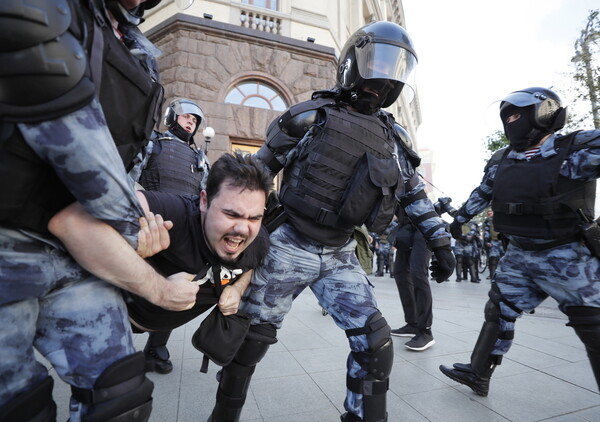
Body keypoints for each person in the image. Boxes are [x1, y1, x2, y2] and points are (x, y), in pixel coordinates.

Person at [207, 21, 455, 422]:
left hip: (340, 253)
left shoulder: (393, 140)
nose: (384, 76)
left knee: (375, 342)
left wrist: (441, 243)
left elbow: (413, 195)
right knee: (249, 343)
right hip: (288, 245)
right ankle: (223, 415)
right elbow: (251, 177)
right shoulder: (309, 117)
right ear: (353, 63)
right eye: (377, 61)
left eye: (395, 68)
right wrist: (227, 231)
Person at [0, 1, 200, 421]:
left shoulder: (136, 50)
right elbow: (80, 150)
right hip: (11, 244)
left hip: (79, 252)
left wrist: (144, 222)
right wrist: (134, 239)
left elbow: (127, 165)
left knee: (121, 398)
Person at [439, 87, 600, 397]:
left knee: (594, 327)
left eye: (518, 115)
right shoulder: (502, 160)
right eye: (508, 117)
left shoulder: (577, 147)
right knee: (498, 310)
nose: (512, 122)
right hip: (520, 255)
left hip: (568, 256)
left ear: (544, 115)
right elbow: (484, 192)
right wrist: (460, 219)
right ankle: (477, 373)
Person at [137, 98, 210, 374]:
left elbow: (205, 195)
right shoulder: (153, 142)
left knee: (174, 286)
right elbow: (131, 176)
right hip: (150, 222)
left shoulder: (199, 156)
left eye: (195, 120)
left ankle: (156, 348)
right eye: (187, 117)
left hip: (182, 230)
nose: (191, 122)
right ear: (172, 117)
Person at [483, 209, 504, 279]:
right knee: (493, 260)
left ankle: (501, 277)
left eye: (491, 212)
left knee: (503, 261)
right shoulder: (489, 220)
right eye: (488, 212)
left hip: (503, 242)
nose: (489, 213)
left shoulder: (504, 218)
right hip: (493, 242)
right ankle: (492, 277)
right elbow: (486, 231)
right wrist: (487, 241)